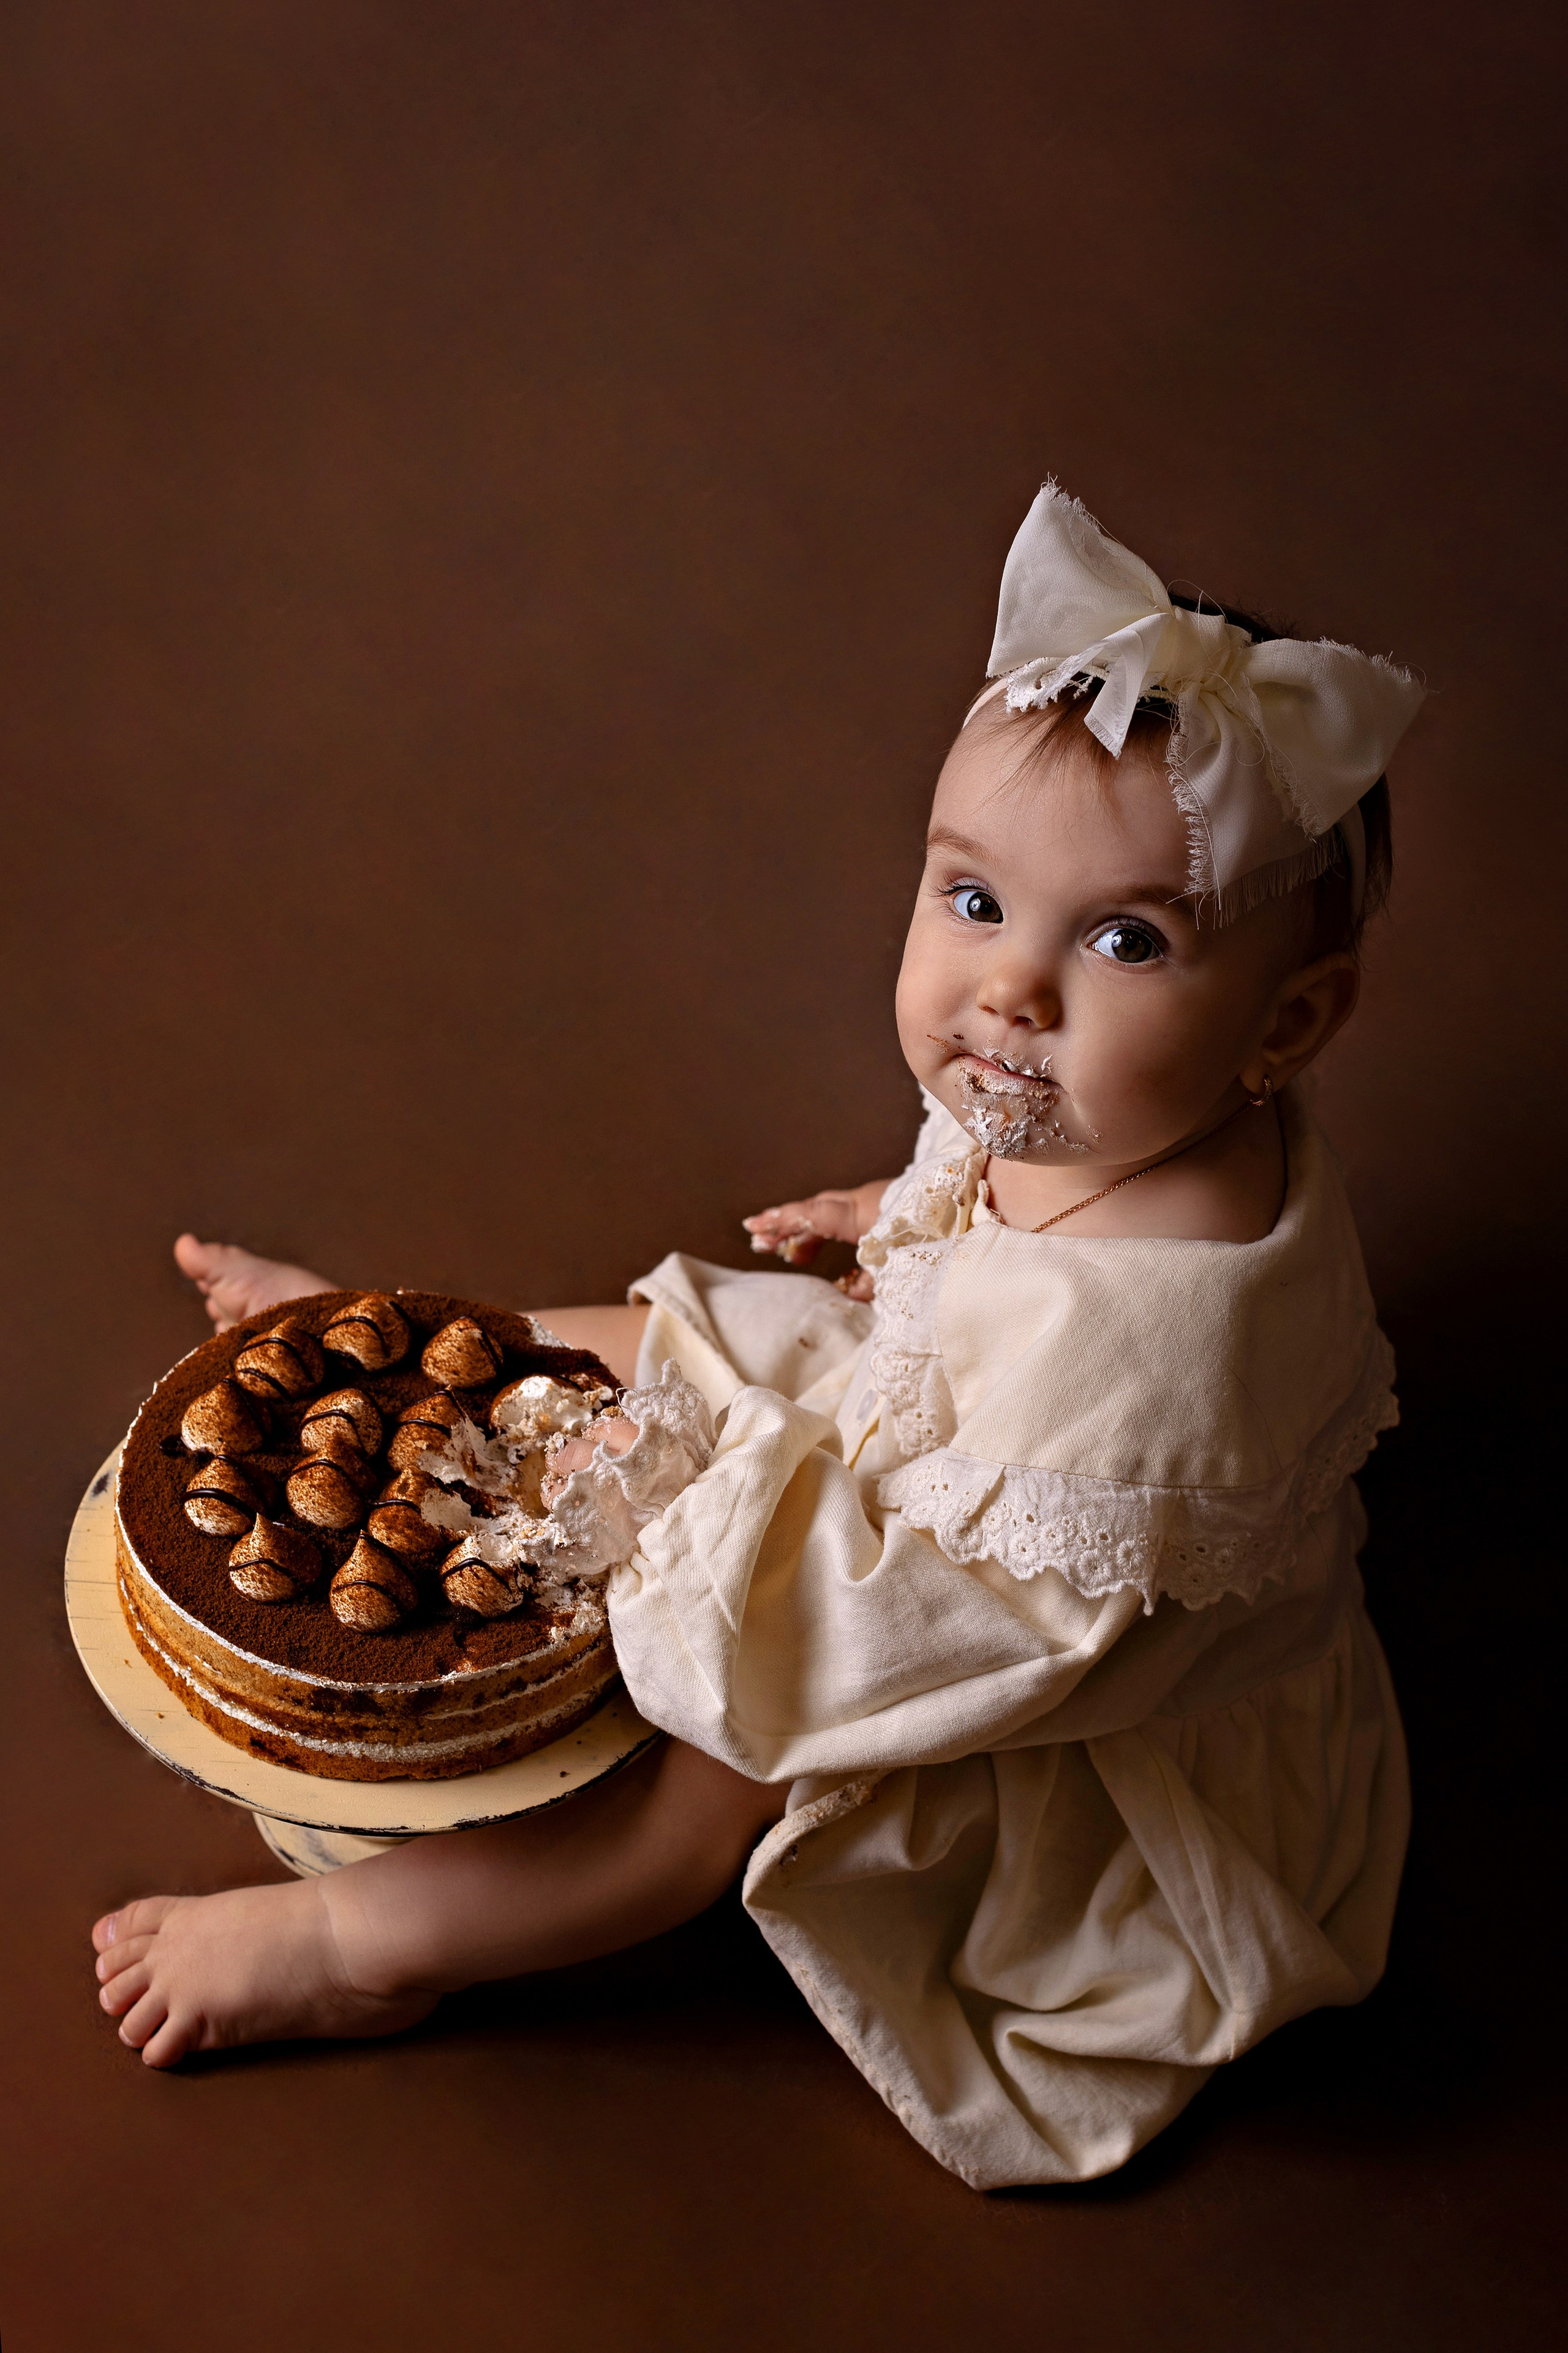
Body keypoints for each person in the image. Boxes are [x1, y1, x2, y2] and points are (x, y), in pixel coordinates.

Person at [91, 483, 1424, 2189]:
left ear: (1287, 1021)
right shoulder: (1132, 1118)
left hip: (1018, 1663)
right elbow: (1045, 1213)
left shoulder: (1149, 1372)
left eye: (1124, 938)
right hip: (977, 1459)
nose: (1012, 989)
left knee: (704, 1787)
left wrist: (657, 1520)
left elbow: (918, 1624)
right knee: (726, 1328)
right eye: (970, 898)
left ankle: (372, 1948)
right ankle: (420, 1344)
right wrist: (907, 1209)